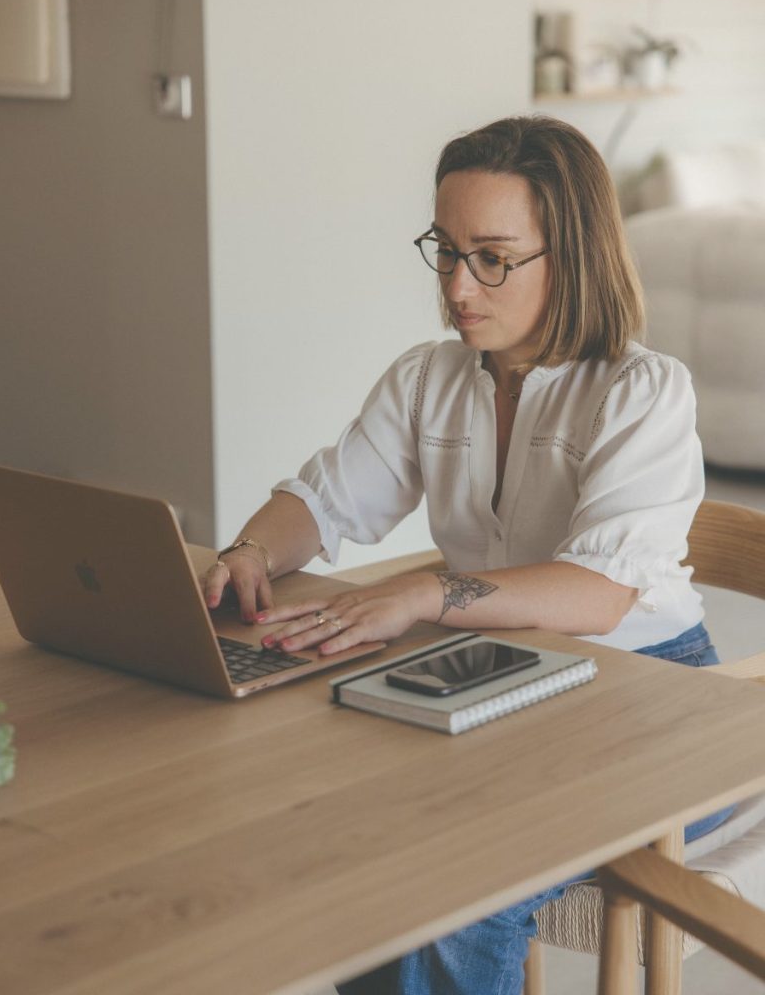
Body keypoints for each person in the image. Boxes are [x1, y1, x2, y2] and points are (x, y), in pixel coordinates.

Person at [203, 115, 731, 995]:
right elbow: (326, 498)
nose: (457, 284)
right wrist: (252, 548)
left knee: (459, 880)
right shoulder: (428, 377)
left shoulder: (643, 391)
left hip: (658, 703)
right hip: (505, 678)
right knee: (345, 836)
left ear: (572, 256)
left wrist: (423, 593)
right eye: (444, 250)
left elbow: (597, 596)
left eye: (492, 256)